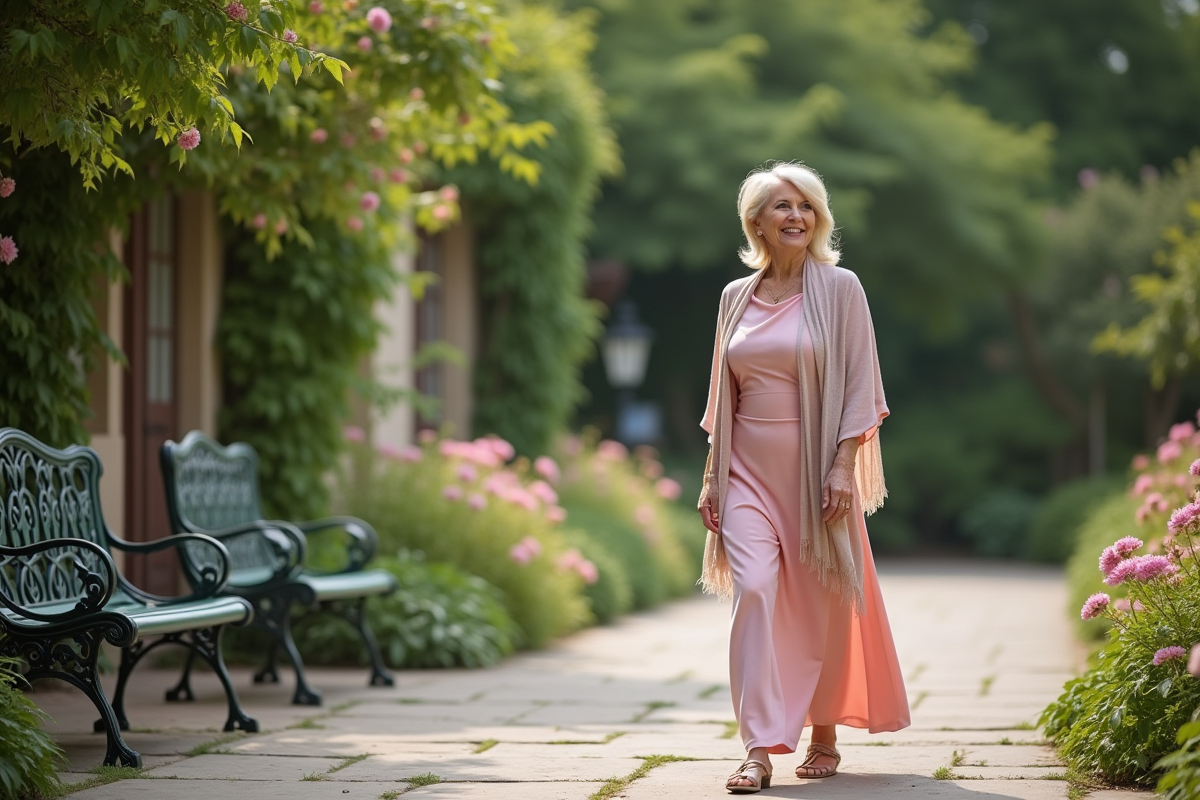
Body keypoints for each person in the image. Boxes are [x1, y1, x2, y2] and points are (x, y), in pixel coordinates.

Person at [697, 162, 910, 793]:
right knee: (756, 589)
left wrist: (844, 465)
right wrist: (712, 476)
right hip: (746, 471)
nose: (797, 217)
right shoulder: (735, 297)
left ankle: (823, 730)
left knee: (823, 600)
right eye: (783, 207)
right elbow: (721, 395)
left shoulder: (841, 288)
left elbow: (858, 384)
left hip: (817, 467)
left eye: (806, 207)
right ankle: (759, 748)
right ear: (756, 221)